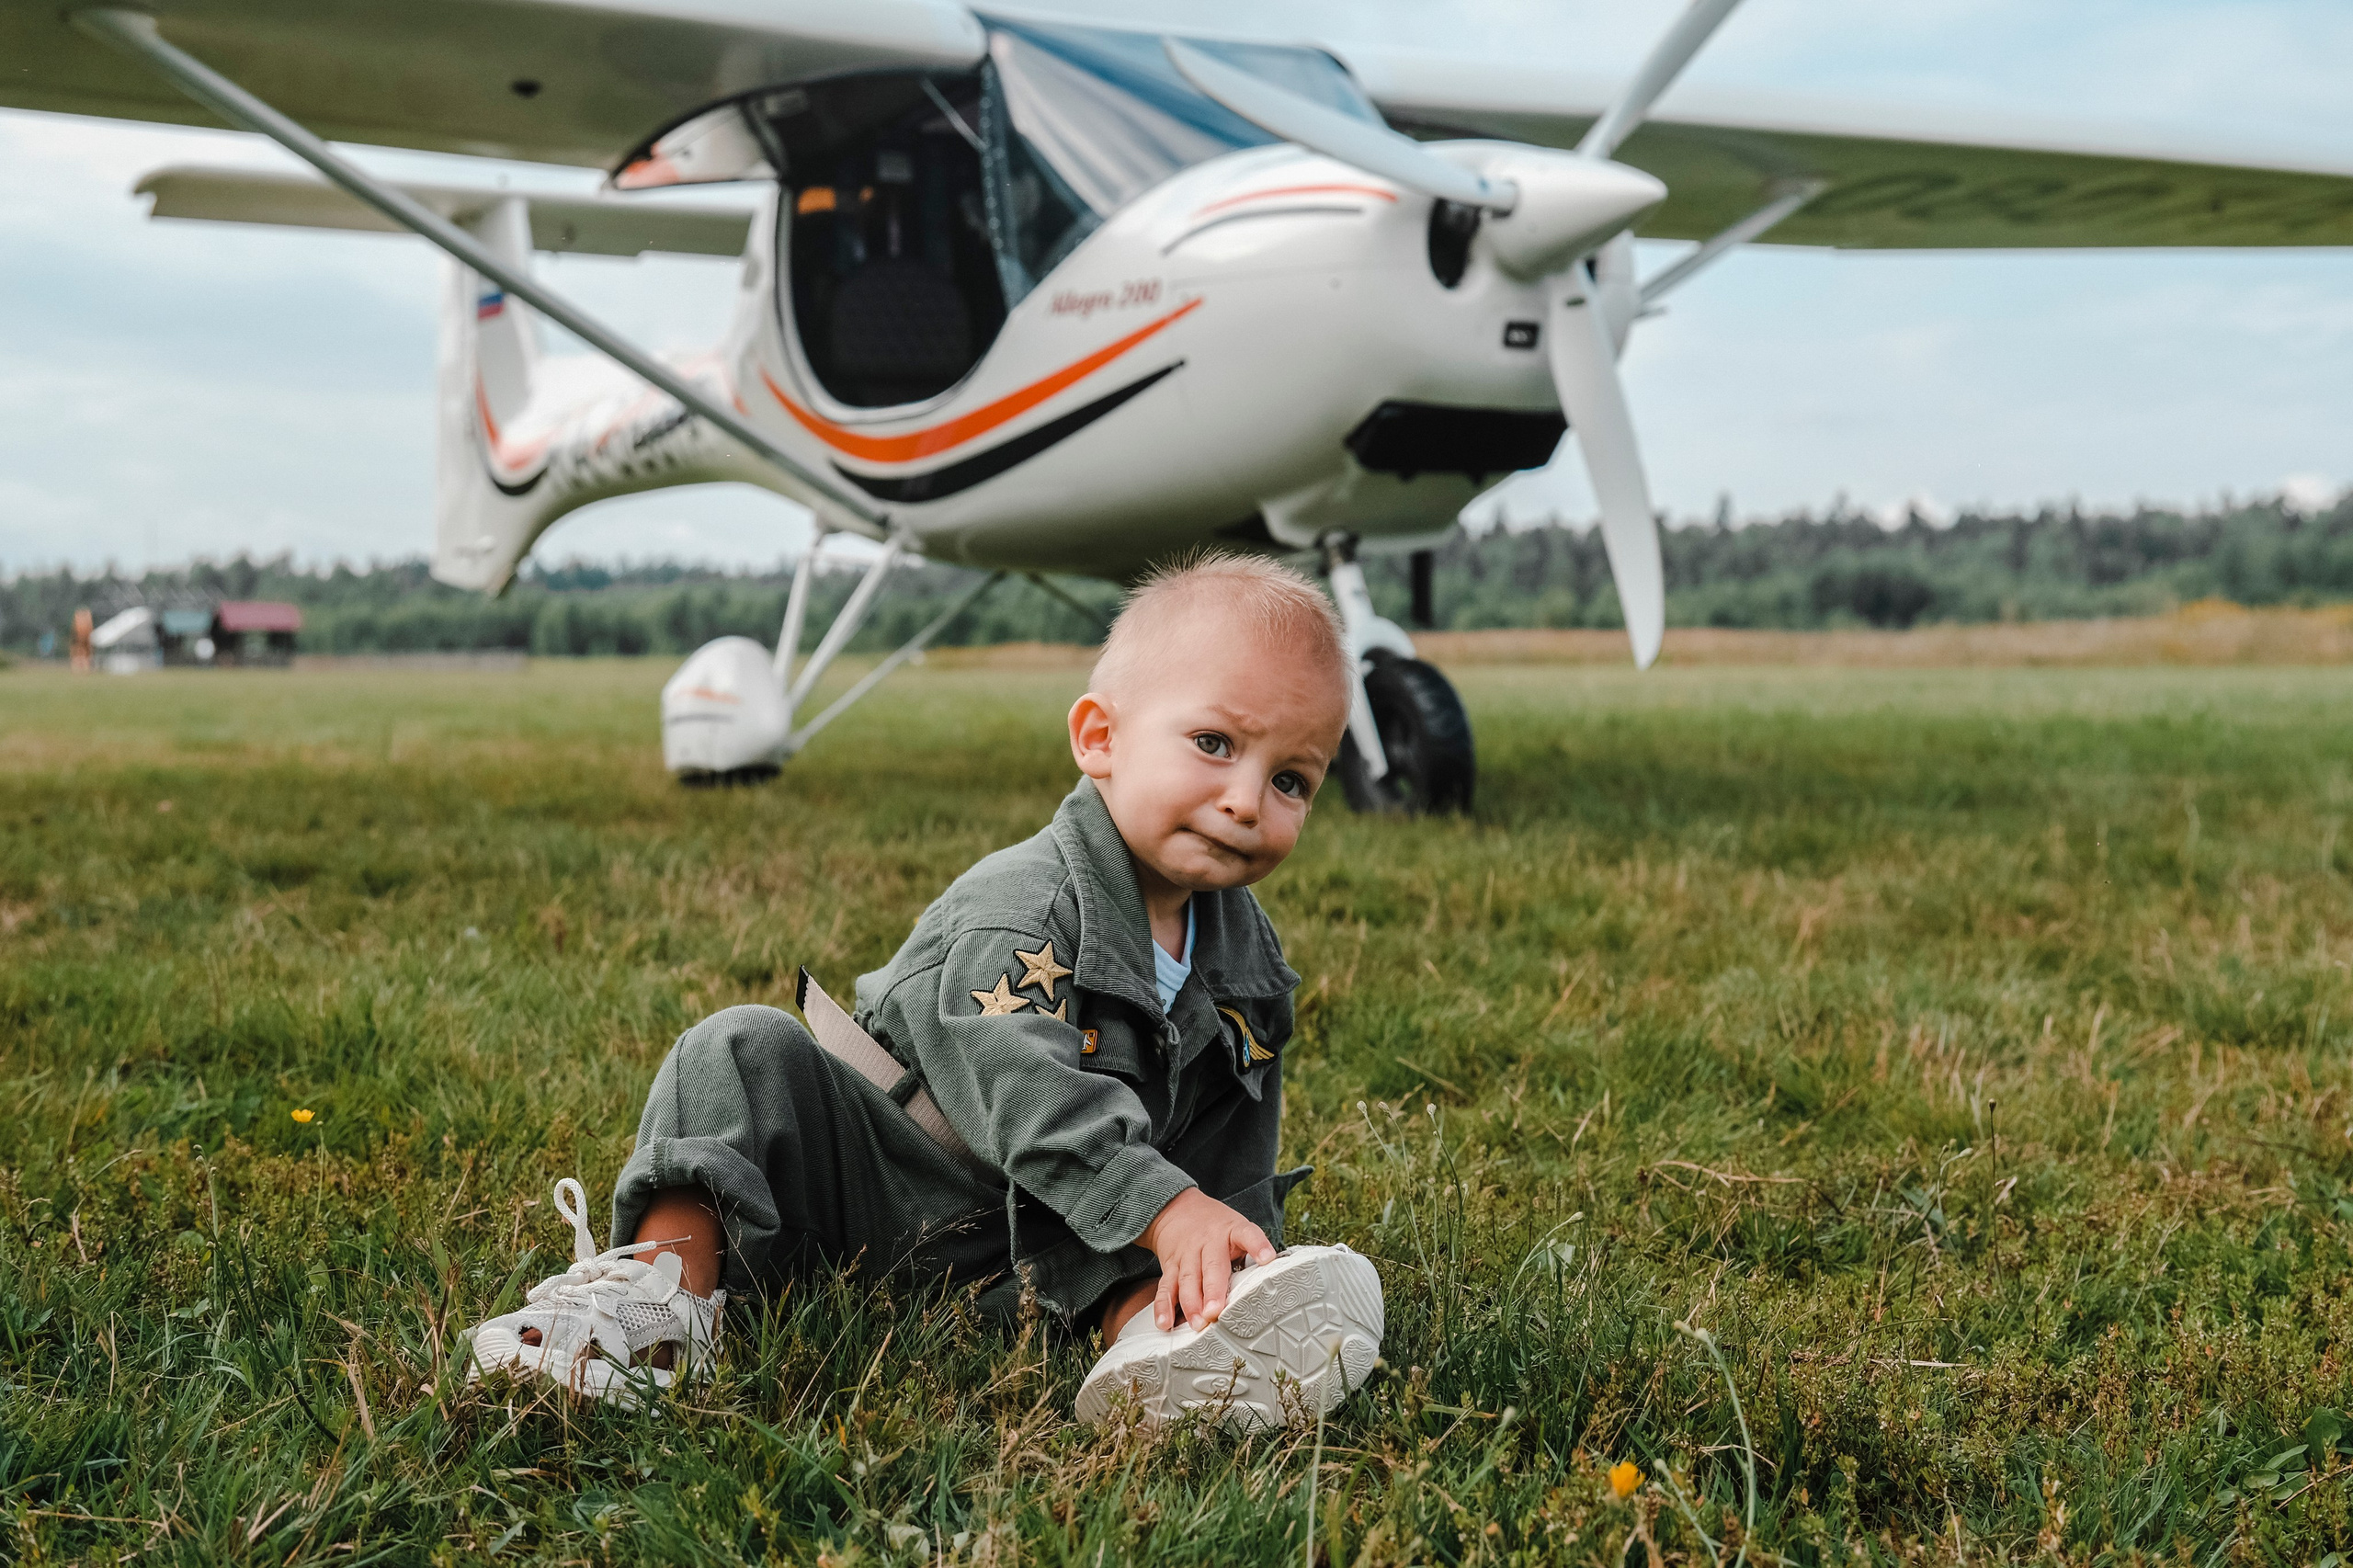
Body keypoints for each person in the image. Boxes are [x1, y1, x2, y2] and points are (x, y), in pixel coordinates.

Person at [463, 551, 1385, 1426]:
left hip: (1039, 1241)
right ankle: (656, 1308)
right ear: (1099, 738)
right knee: (738, 1048)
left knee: (1138, 1192)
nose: (1246, 801)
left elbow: (1225, 1142)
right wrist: (1165, 1207)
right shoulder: (1020, 909)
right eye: (1214, 743)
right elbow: (1025, 1097)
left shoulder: (1245, 960)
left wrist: (1232, 1242)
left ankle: (1170, 1330)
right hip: (878, 1194)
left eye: (1291, 781)